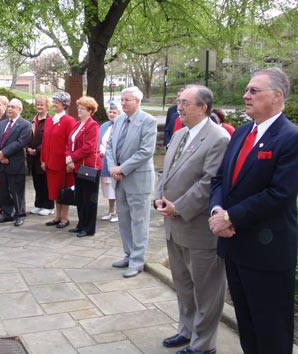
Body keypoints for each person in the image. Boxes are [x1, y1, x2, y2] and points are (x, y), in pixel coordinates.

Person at [209, 68, 298, 354]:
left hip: (268, 251)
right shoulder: (243, 132)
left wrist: (230, 217)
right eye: (247, 90)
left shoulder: (291, 137)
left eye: (253, 91)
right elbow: (221, 179)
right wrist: (218, 209)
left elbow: (280, 194)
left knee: (271, 330)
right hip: (235, 246)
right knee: (246, 325)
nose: (245, 95)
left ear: (277, 95)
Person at [154, 85, 230, 354]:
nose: (179, 107)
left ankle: (204, 345)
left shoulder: (218, 138)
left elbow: (209, 182)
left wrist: (179, 207)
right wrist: (157, 197)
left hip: (198, 230)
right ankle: (186, 331)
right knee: (184, 287)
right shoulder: (179, 134)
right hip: (173, 227)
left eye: (185, 102)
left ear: (203, 108)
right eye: (178, 101)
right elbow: (165, 171)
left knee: (206, 292)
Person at [106, 86, 157, 278]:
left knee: (139, 221)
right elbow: (110, 145)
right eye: (122, 99)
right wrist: (113, 167)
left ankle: (137, 260)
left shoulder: (148, 121)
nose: (123, 103)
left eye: (127, 100)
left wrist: (122, 168)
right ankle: (128, 255)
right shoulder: (119, 120)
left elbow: (146, 151)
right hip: (119, 179)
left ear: (138, 101)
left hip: (137, 179)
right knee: (124, 220)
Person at [66, 96, 102, 238]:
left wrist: (71, 157)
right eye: (78, 107)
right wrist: (69, 157)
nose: (79, 110)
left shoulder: (93, 126)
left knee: (89, 198)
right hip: (77, 166)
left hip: (88, 167)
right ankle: (81, 224)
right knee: (79, 197)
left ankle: (89, 228)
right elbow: (69, 143)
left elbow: (89, 147)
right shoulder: (77, 124)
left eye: (82, 108)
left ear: (90, 111)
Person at [0, 98, 31, 227]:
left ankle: (20, 214)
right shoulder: (0, 124)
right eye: (8, 106)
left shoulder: (25, 125)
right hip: (1, 163)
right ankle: (7, 213)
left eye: (13, 107)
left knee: (17, 191)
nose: (9, 109)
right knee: (3, 190)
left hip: (15, 163)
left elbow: (20, 143)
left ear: (19, 109)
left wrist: (4, 153)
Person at [40, 92, 76, 229]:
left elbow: (70, 143)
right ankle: (57, 216)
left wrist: (69, 161)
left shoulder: (69, 121)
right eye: (54, 101)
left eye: (57, 102)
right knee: (55, 191)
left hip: (62, 163)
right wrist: (43, 160)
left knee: (64, 191)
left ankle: (65, 217)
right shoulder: (50, 120)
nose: (54, 104)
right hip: (50, 163)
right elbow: (45, 142)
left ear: (64, 104)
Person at [27, 96, 54, 216]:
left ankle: (48, 206)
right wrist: (28, 147)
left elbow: (49, 140)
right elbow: (27, 135)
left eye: (42, 105)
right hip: (32, 157)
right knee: (36, 182)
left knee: (45, 182)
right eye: (37, 104)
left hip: (43, 156)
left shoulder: (50, 120)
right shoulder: (32, 120)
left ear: (47, 106)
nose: (39, 107)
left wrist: (37, 150)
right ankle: (38, 204)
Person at [99, 101, 120, 222]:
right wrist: (100, 149)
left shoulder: (121, 125)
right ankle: (111, 210)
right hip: (103, 160)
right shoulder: (104, 125)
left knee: (114, 186)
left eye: (114, 112)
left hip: (114, 161)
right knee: (107, 186)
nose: (111, 114)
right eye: (110, 112)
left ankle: (117, 212)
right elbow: (99, 140)